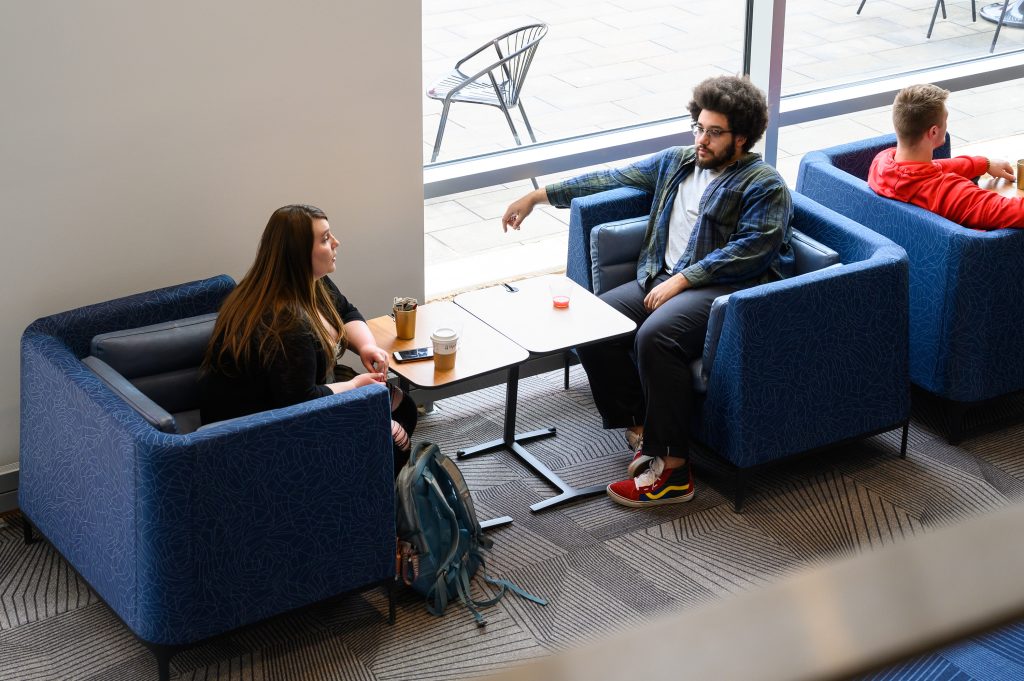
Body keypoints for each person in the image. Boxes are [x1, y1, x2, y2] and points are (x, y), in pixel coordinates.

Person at [501, 75, 792, 508]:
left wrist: (684, 280)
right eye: (699, 127)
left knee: (656, 337)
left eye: (715, 132)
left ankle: (674, 472)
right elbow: (609, 176)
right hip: (661, 277)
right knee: (592, 320)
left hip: (723, 291)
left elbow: (754, 248)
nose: (702, 139)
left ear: (741, 138)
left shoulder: (763, 184)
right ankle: (641, 428)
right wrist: (538, 196)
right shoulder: (675, 162)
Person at [200, 204, 417, 476]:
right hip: (255, 431)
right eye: (325, 239)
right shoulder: (285, 322)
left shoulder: (312, 283)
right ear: (299, 255)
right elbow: (300, 401)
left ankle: (368, 491)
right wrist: (353, 386)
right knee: (393, 439)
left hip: (292, 401)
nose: (336, 242)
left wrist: (366, 346)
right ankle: (361, 504)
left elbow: (346, 310)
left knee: (403, 406)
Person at [867, 83, 1024, 230]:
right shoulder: (950, 194)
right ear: (933, 132)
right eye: (946, 119)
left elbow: (930, 168)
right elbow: (1017, 211)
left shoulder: (881, 162)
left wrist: (984, 163)